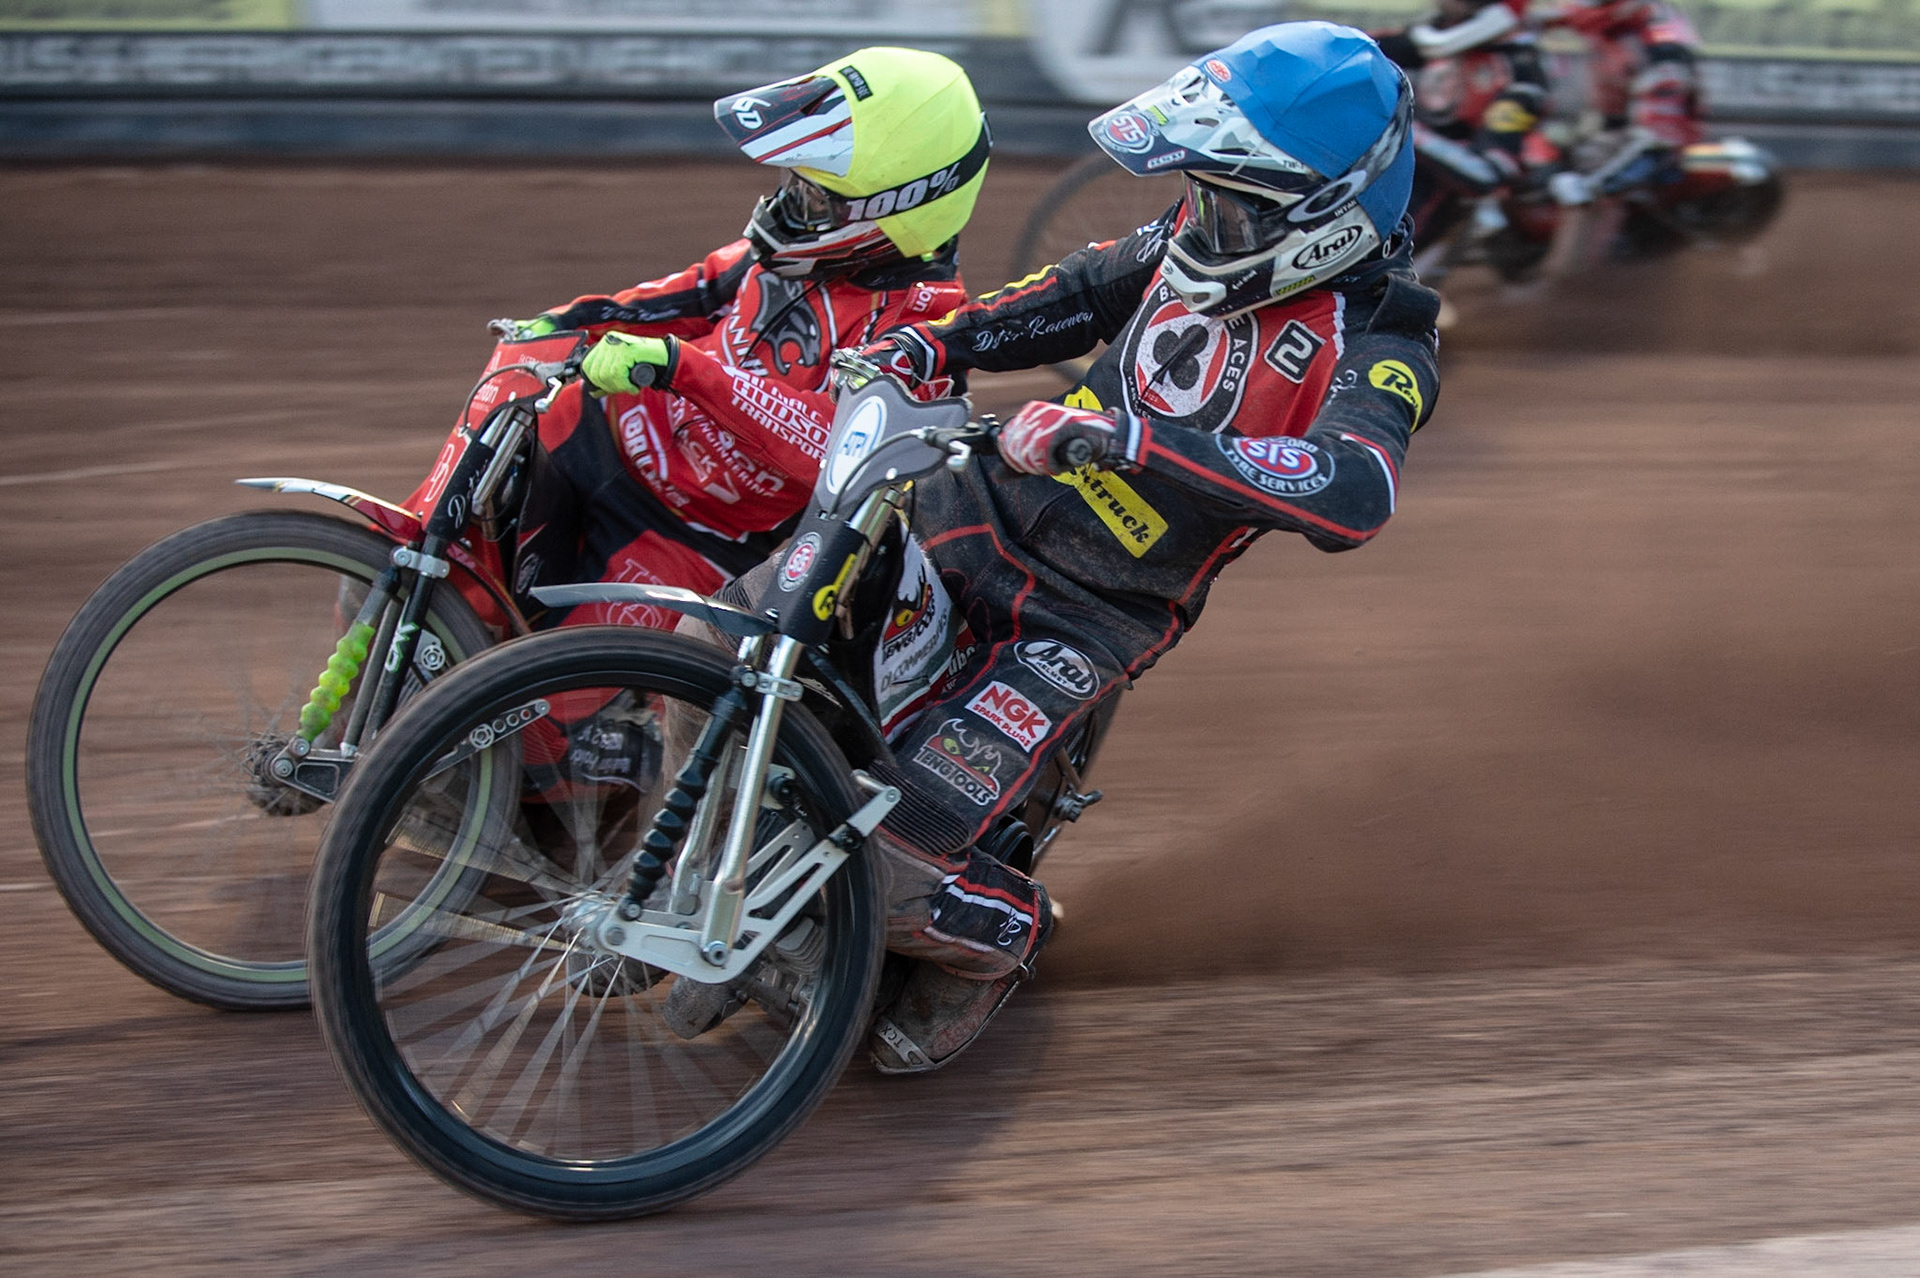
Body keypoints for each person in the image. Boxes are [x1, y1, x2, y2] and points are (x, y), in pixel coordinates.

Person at [846, 22, 1441, 1073]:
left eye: (1227, 197)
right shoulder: (1206, 234)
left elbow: (1357, 491)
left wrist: (1134, 439)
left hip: (1086, 614)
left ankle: (1004, 932)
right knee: (747, 629)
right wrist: (928, 342)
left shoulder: (1386, 336)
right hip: (969, 504)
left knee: (887, 859)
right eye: (1203, 189)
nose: (1199, 216)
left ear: (1315, 216)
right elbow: (1074, 295)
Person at [405, 47, 985, 790]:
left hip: (692, 540)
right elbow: (663, 302)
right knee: (439, 556)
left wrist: (689, 371)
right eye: (793, 184)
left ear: (895, 208)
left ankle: (625, 764)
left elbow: (838, 450)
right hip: (594, 437)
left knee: (535, 728)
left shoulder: (928, 326)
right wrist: (555, 325)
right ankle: (403, 637)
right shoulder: (781, 254)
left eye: (815, 197)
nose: (787, 207)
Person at [1372, 0, 1561, 240]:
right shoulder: (1413, 41)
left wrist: (1404, 130)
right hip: (1384, 168)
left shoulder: (1519, 66)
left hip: (1443, 193)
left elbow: (1488, 173)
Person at [1547, 0, 1705, 200]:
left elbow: (1657, 144)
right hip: (1618, 139)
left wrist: (1592, 186)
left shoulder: (1658, 36)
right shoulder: (1609, 29)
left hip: (1650, 175)